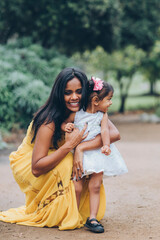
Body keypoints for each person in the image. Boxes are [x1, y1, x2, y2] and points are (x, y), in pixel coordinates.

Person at [0, 68, 120, 230]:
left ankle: (79, 211)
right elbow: (36, 168)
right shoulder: (48, 121)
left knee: (88, 166)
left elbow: (114, 134)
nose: (74, 97)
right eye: (67, 92)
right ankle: (60, 209)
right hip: (30, 163)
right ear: (59, 94)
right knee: (68, 164)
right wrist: (70, 146)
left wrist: (81, 148)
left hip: (61, 154)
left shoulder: (87, 110)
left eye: (79, 92)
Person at [61, 76, 128, 233]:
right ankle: (74, 215)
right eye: (109, 99)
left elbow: (105, 131)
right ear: (96, 100)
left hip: (97, 154)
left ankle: (92, 218)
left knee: (95, 185)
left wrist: (105, 145)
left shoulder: (102, 116)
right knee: (77, 187)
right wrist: (67, 126)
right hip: (79, 158)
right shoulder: (77, 113)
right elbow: (64, 122)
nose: (110, 103)